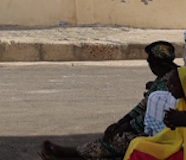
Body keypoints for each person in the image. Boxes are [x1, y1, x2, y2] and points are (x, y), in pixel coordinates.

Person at [40, 40, 179, 159]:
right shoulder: (163, 77)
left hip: (163, 132)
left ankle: (72, 153)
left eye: (151, 62)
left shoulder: (171, 81)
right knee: (116, 139)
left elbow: (151, 116)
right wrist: (120, 123)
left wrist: (125, 127)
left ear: (159, 64)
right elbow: (141, 107)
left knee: (120, 140)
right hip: (150, 127)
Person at [123, 66, 186, 160]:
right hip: (178, 144)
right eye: (169, 84)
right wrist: (172, 124)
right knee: (137, 143)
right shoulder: (182, 102)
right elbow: (176, 133)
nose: (169, 89)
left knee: (141, 150)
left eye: (174, 85)